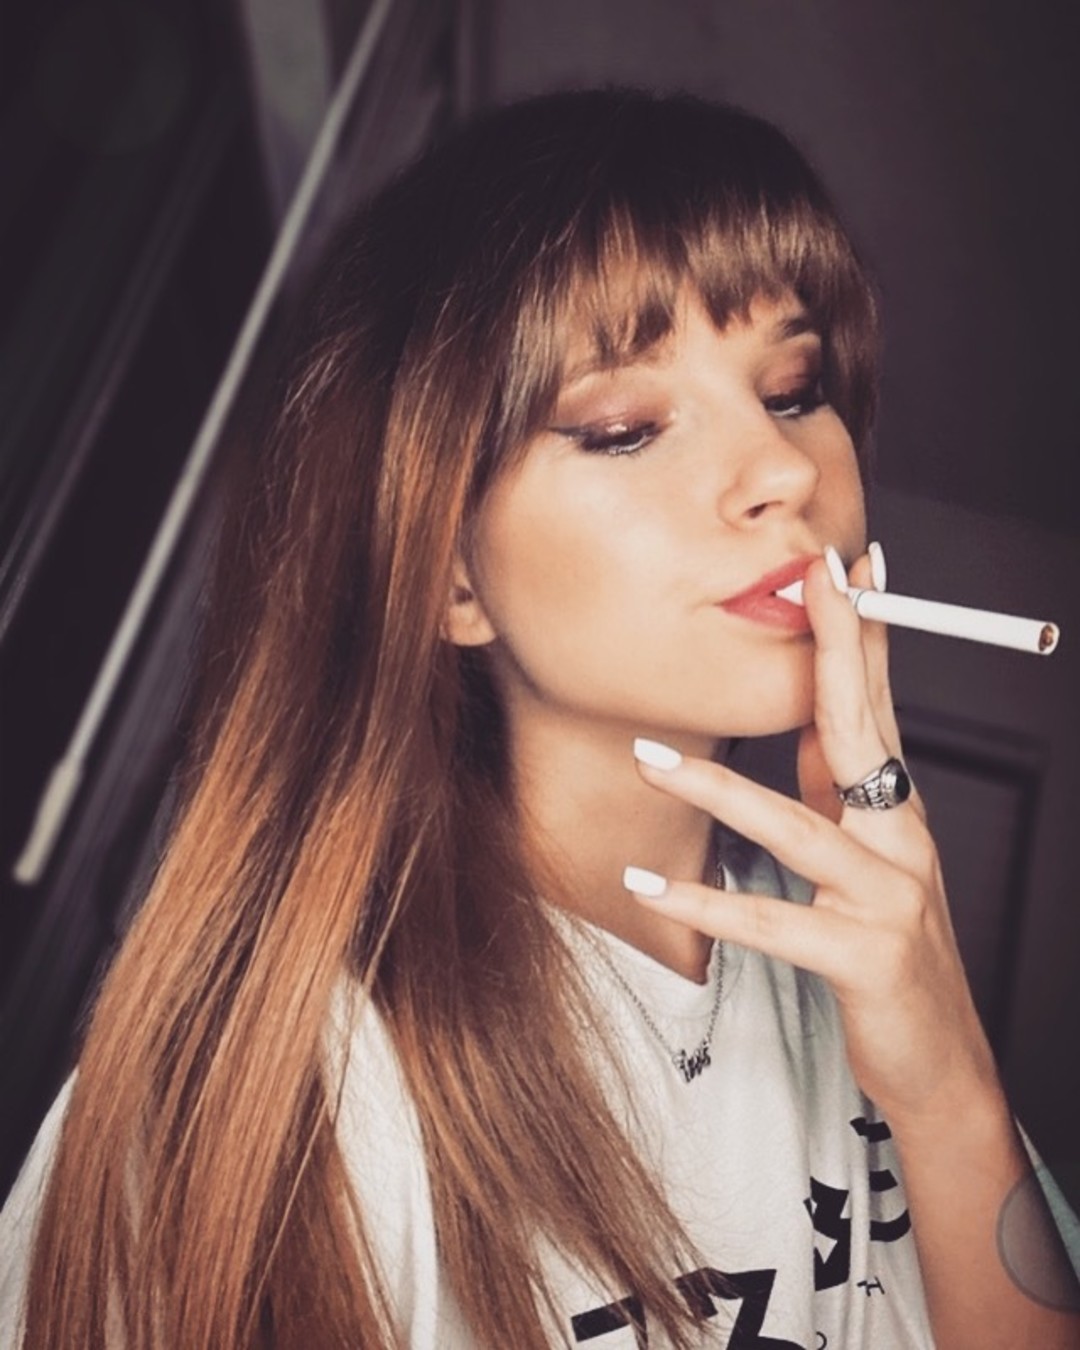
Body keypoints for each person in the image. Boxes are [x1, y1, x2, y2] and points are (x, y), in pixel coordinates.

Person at [1, 86, 1077, 1350]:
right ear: (450, 576)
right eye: (624, 429)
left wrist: (946, 1074)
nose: (786, 471)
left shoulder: (862, 971)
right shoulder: (278, 1091)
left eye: (794, 390)